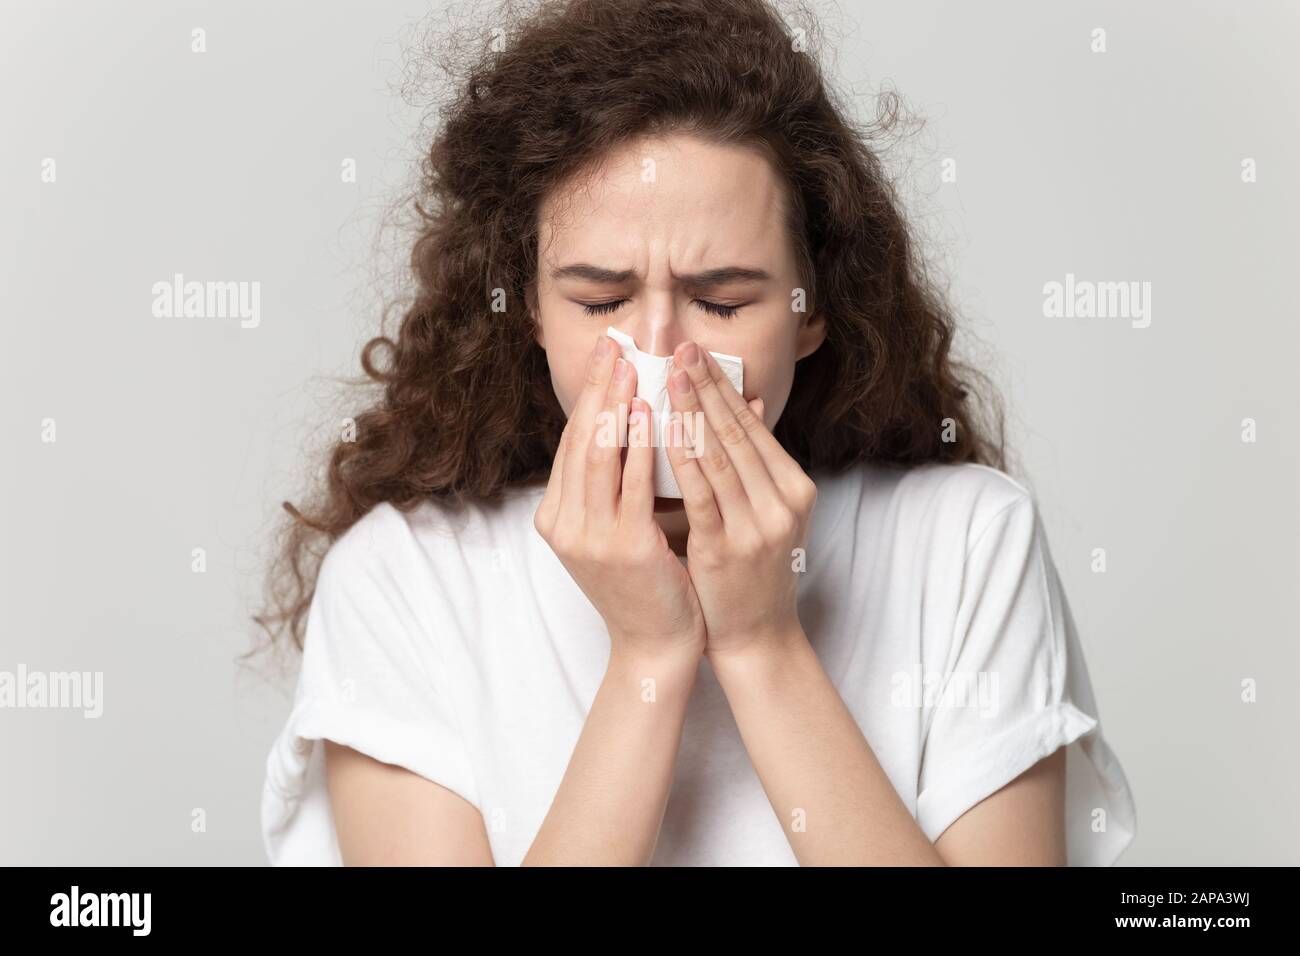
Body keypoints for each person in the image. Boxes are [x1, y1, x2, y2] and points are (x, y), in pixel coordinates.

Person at [255, 0, 1136, 866]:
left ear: (811, 309)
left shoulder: (967, 542)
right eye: (600, 301)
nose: (658, 352)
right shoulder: (404, 580)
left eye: (722, 300)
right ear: (527, 309)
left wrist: (762, 643)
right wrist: (649, 653)